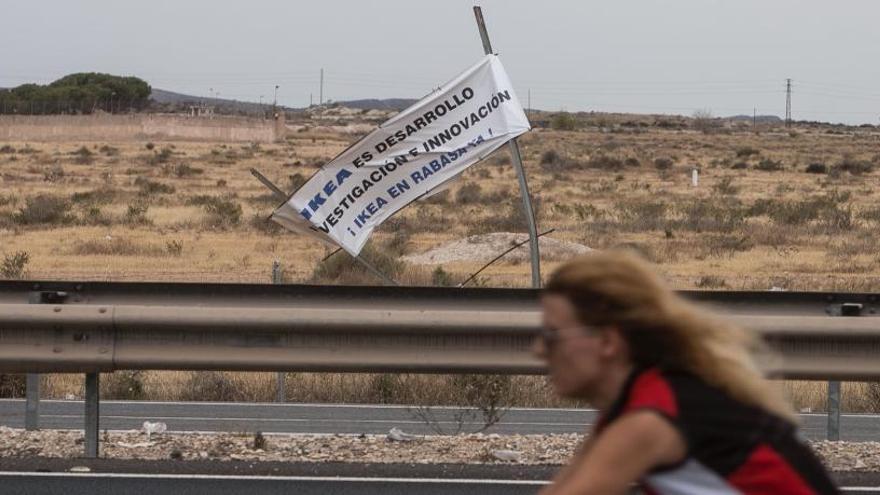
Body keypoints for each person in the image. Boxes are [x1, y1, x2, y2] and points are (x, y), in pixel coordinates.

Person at [534, 250, 838, 495]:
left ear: (608, 342)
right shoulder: (641, 402)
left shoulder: (649, 419)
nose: (538, 350)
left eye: (551, 336)